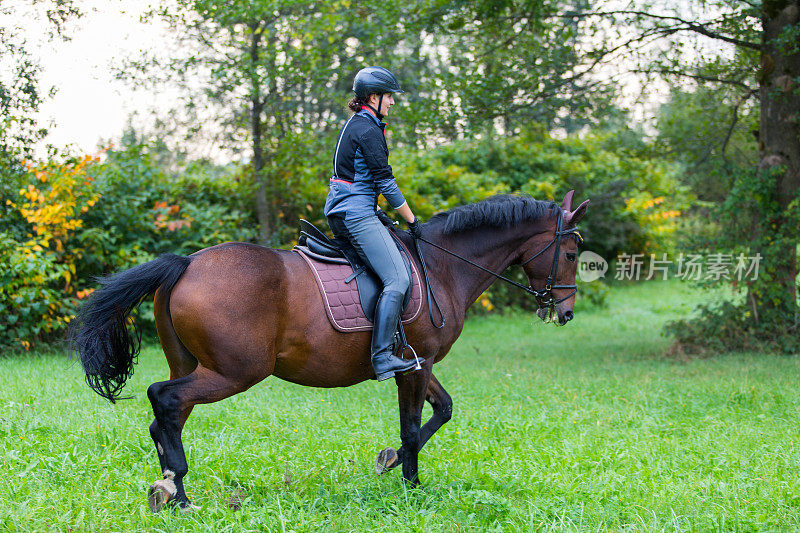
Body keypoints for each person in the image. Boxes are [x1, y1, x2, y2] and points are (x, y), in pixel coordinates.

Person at [324, 66, 422, 382]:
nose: (392, 102)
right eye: (389, 96)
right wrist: (413, 221)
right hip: (355, 215)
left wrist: (377, 210)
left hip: (349, 209)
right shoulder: (368, 130)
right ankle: (382, 357)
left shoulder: (358, 124)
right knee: (398, 278)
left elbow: (361, 179)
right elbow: (386, 183)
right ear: (374, 97)